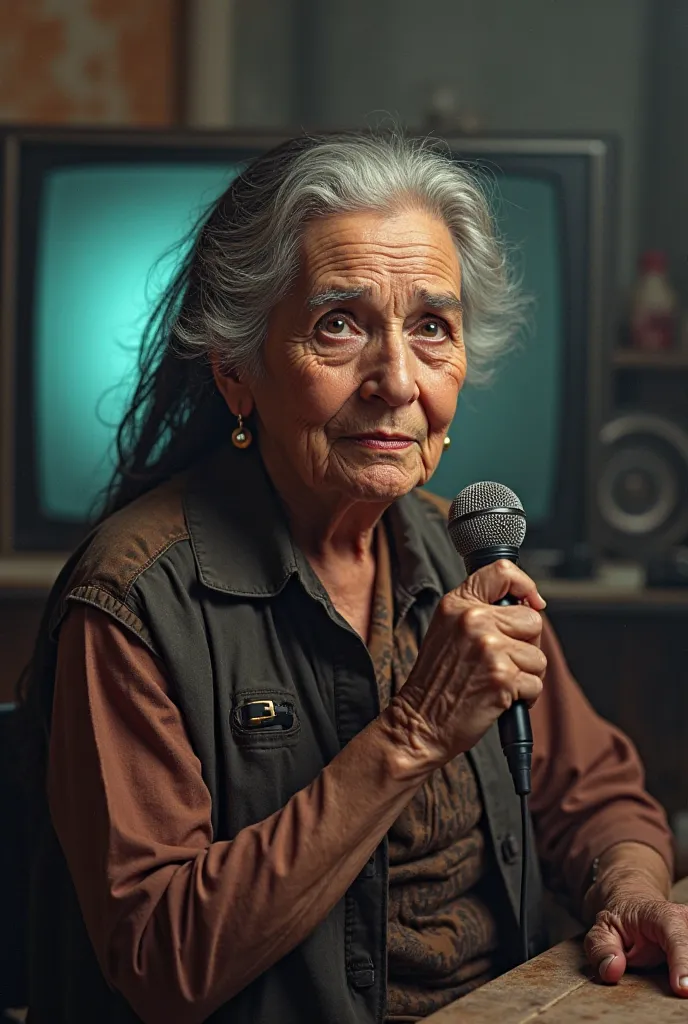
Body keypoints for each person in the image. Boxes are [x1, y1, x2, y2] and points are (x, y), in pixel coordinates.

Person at [22, 133, 686, 1024]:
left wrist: (635, 891)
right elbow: (158, 960)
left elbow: (595, 795)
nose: (397, 382)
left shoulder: (460, 548)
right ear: (235, 372)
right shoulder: (132, 602)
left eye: (431, 328)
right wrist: (411, 734)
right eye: (340, 324)